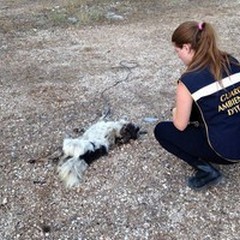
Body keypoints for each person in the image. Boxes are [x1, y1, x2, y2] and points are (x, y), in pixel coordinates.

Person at [154, 21, 240, 190]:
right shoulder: (231, 61)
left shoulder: (188, 80)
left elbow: (180, 125)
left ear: (186, 47)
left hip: (227, 152)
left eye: (177, 51)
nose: (178, 55)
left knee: (162, 131)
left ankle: (206, 171)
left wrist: (175, 112)